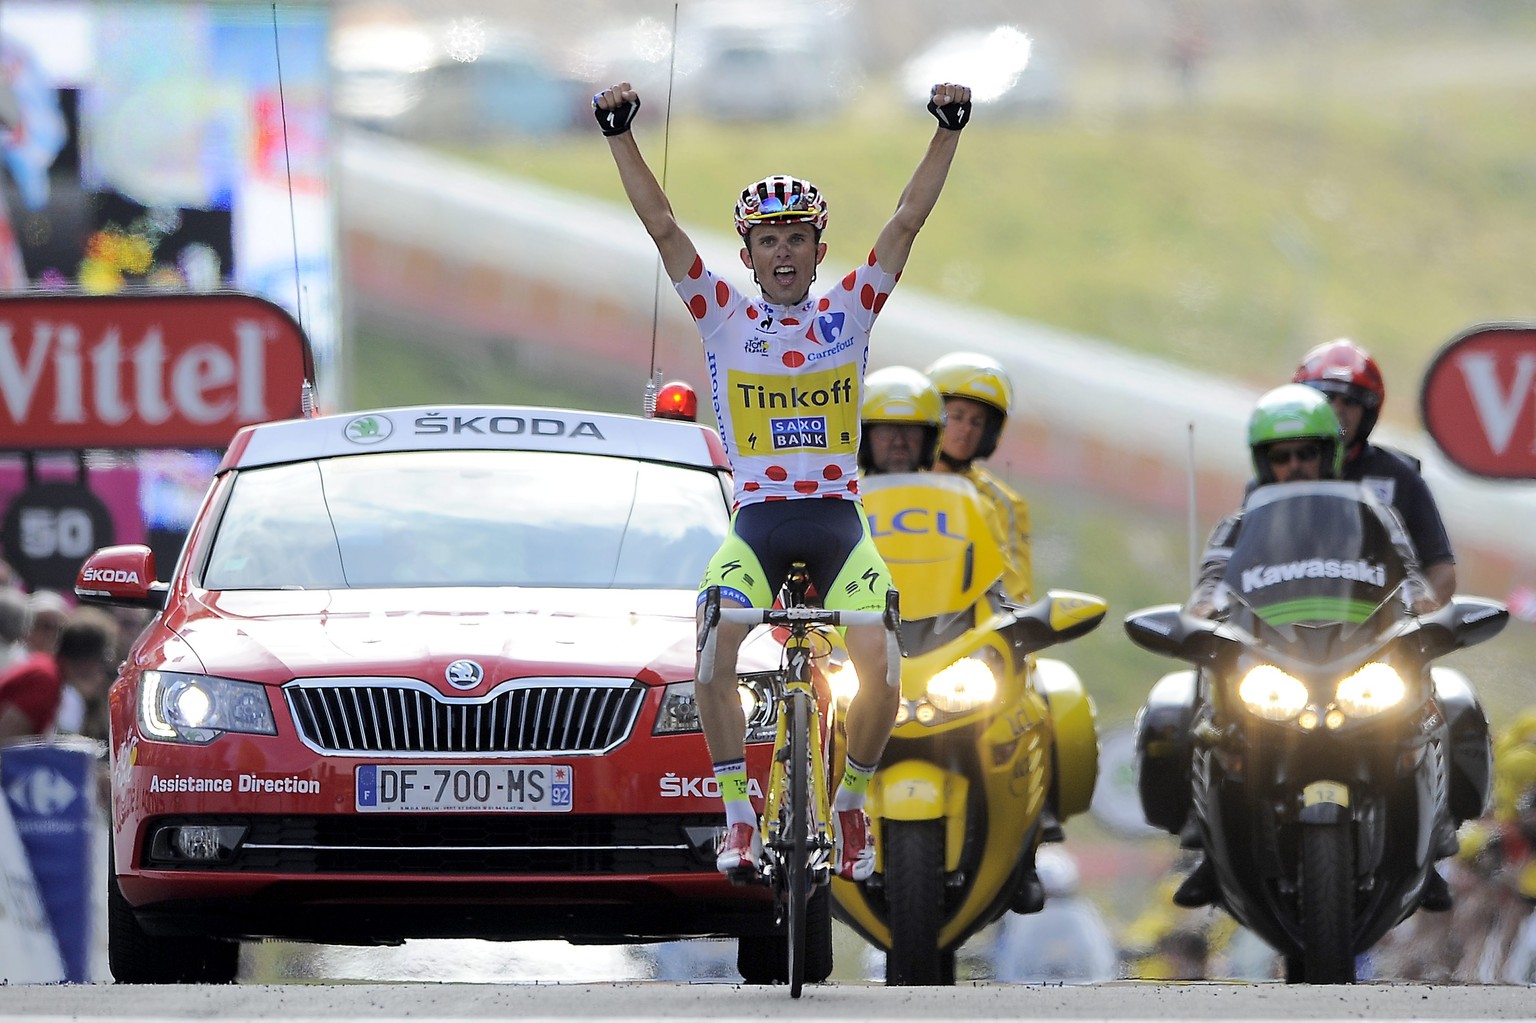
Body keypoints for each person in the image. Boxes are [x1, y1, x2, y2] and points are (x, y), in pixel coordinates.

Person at [593, 78, 973, 881]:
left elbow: (907, 221)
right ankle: (737, 819)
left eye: (797, 238)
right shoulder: (723, 314)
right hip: (758, 522)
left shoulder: (851, 311)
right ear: (748, 254)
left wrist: (948, 129)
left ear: (818, 250)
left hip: (838, 518)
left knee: (882, 660)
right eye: (769, 240)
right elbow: (661, 227)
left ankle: (851, 802)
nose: (784, 253)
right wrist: (619, 133)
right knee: (711, 661)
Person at [1173, 384, 1445, 909]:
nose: (1295, 465)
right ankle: (1205, 846)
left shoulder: (1374, 515)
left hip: (1357, 662)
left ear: (1329, 454)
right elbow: (1209, 583)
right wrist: (1200, 614)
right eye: (1282, 457)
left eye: (1307, 453)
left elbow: (1411, 578)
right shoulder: (1240, 524)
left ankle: (1433, 842)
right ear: (1264, 462)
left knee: (1445, 708)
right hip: (1272, 666)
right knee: (1179, 714)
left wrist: (1429, 608)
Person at [1292, 338, 1455, 607]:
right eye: (1327, 398)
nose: (1337, 411)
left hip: (1376, 634)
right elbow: (1234, 559)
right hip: (1284, 625)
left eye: (1350, 402)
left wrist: (1424, 616)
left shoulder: (1400, 476)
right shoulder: (1280, 467)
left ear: (1368, 412)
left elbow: (1441, 568)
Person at [925, 352, 1032, 602]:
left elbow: (1017, 595)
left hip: (956, 625)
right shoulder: (889, 478)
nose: (966, 429)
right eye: (957, 417)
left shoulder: (1004, 503)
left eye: (977, 422)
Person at [0, 610, 116, 741]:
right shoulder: (45, 680)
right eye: (104, 659)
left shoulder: (48, 671)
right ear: (88, 660)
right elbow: (7, 739)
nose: (101, 670)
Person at [858, 366, 944, 476]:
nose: (899, 442)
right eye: (886, 431)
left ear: (929, 439)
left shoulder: (943, 492)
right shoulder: (844, 492)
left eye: (910, 431)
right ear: (864, 437)